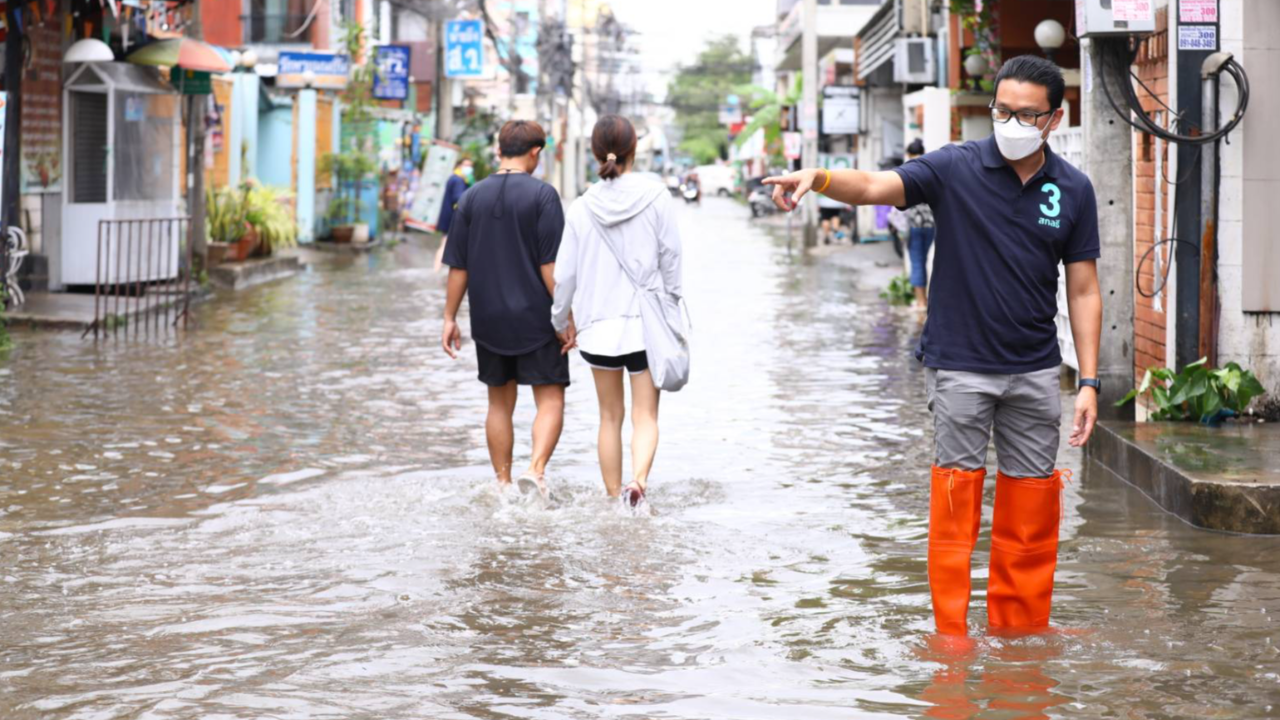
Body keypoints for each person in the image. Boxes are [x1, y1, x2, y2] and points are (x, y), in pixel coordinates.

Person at [764, 55, 1102, 636]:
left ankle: (1018, 644)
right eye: (1002, 110)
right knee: (954, 509)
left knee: (1031, 518)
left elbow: (1085, 287)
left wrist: (1090, 381)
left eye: (1026, 114)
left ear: (1055, 117)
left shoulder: (1072, 189)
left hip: (1035, 372)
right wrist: (816, 178)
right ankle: (951, 642)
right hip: (959, 368)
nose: (1010, 122)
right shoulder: (955, 167)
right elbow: (874, 184)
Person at [550, 115, 682, 511]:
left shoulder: (580, 207)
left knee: (610, 417)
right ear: (634, 149)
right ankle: (637, 482)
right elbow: (671, 257)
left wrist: (561, 322)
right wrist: (672, 306)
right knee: (646, 415)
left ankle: (612, 498)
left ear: (594, 152)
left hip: (598, 329)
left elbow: (564, 275)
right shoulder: (657, 196)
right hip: (646, 326)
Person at [440, 122, 567, 500]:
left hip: (488, 319)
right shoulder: (544, 196)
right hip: (536, 317)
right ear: (535, 152)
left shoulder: (472, 197)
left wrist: (449, 318)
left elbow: (457, 266)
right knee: (550, 398)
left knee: (499, 403)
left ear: (499, 151)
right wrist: (565, 317)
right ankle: (536, 471)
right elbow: (550, 267)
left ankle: (503, 484)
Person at [904, 139, 936, 308]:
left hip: (915, 225)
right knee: (924, 260)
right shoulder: (930, 167)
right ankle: (924, 300)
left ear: (909, 153)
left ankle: (920, 303)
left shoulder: (908, 169)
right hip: (931, 224)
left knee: (917, 261)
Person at [433, 157, 474, 272]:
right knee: (445, 244)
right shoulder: (458, 180)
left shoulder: (454, 178)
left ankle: (437, 269)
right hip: (452, 218)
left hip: (448, 217)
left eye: (471, 165)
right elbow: (458, 198)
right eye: (466, 165)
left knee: (445, 243)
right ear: (459, 165)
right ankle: (436, 270)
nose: (469, 168)